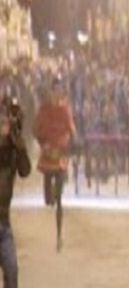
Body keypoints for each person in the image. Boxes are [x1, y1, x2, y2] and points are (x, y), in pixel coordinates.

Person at [33, 78, 77, 252]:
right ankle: (50, 194)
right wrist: (43, 144)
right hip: (47, 155)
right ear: (51, 92)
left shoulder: (65, 110)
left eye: (59, 91)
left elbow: (72, 132)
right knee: (48, 200)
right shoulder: (44, 110)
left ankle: (59, 236)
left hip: (60, 156)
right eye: (54, 91)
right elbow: (36, 131)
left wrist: (69, 147)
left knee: (59, 199)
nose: (57, 94)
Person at [0, 98, 31, 288]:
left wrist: (18, 144)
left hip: (3, 223)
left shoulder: (12, 148)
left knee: (12, 270)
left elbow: (25, 170)